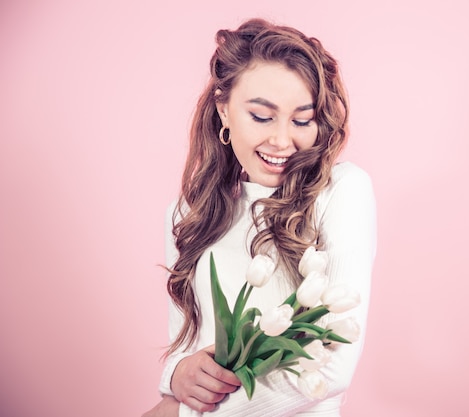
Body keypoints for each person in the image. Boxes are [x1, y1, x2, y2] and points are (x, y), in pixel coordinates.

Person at [142, 18, 376, 417]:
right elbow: (186, 349)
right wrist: (177, 373)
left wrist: (183, 414)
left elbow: (332, 365)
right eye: (262, 117)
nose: (283, 141)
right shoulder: (188, 214)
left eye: (302, 120)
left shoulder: (341, 190)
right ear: (224, 111)